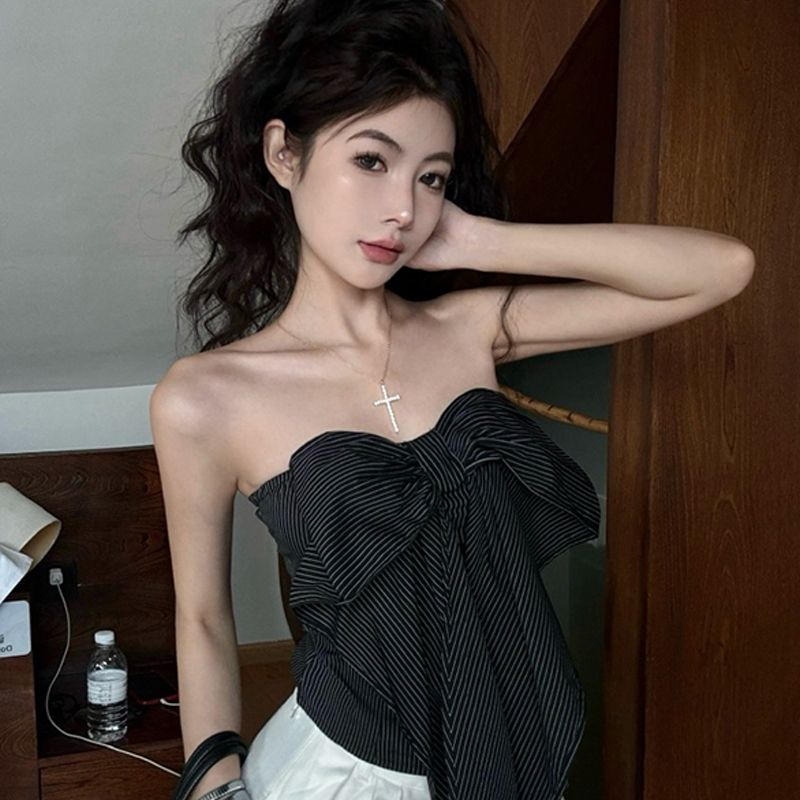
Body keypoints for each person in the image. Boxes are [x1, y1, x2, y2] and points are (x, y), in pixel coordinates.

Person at [149, 1, 756, 799]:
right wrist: (214, 784)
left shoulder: (471, 327)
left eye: (430, 176)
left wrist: (483, 240)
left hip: (508, 757)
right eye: (372, 160)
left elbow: (722, 269)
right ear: (283, 154)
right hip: (338, 774)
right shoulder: (205, 398)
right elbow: (202, 616)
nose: (403, 208)